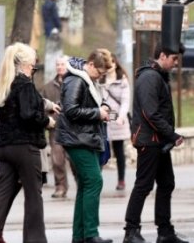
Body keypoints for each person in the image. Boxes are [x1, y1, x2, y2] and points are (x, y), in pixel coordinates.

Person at [0, 42, 56, 243]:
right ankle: (35, 239)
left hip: (3, 146)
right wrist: (48, 121)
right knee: (33, 195)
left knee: (2, 191)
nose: (33, 70)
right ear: (24, 65)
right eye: (32, 66)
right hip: (25, 146)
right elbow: (28, 114)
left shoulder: (3, 84)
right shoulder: (24, 84)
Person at [123, 43, 187, 243]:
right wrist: (172, 134)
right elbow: (150, 113)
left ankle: (165, 231)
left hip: (158, 140)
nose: (176, 63)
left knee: (167, 184)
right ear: (162, 55)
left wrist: (168, 136)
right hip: (149, 141)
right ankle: (131, 231)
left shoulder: (157, 76)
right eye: (173, 59)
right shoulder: (150, 77)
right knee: (143, 185)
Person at [56, 49, 114, 243]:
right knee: (94, 181)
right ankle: (90, 234)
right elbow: (71, 110)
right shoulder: (76, 80)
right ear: (90, 65)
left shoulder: (86, 79)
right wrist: (97, 113)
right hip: (77, 138)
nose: (100, 76)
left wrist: (103, 107)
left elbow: (91, 102)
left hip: (83, 137)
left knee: (86, 185)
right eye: (99, 72)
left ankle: (79, 236)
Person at [99, 53, 131, 191]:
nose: (109, 65)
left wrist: (121, 117)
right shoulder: (100, 79)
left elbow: (125, 101)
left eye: (111, 62)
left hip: (117, 117)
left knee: (119, 151)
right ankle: (98, 178)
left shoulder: (122, 80)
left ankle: (121, 179)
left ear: (116, 63)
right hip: (103, 116)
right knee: (102, 149)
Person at [41, 55, 70, 198]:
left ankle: (82, 185)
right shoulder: (47, 87)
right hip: (56, 129)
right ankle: (60, 187)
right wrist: (50, 117)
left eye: (63, 64)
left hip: (73, 129)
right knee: (57, 160)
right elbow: (42, 109)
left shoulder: (74, 83)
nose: (60, 67)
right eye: (58, 64)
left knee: (76, 161)